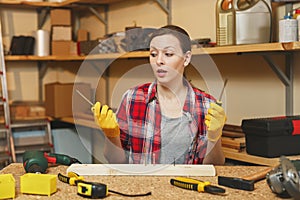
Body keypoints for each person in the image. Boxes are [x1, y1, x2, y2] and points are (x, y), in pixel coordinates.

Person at [93, 25, 226, 165]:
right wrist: (111, 136)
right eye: (153, 54)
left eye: (168, 54)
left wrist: (214, 138)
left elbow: (215, 167)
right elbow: (115, 161)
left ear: (186, 58)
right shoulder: (132, 98)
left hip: (188, 185)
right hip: (141, 185)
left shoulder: (207, 106)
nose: (159, 61)